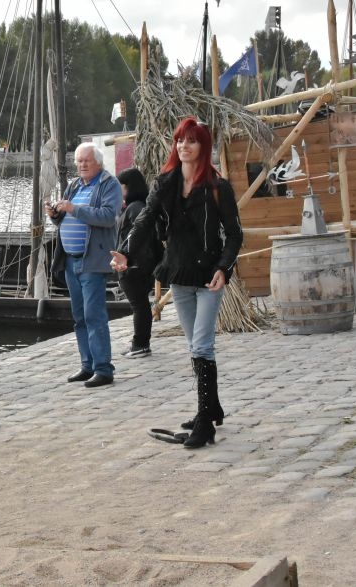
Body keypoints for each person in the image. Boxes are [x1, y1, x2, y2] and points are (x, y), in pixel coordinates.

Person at [111, 117, 243, 449]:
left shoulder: (218, 188)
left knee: (202, 346)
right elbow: (144, 220)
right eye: (180, 140)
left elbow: (234, 234)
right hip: (178, 274)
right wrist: (126, 251)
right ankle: (211, 408)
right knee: (194, 346)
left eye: (191, 140)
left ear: (203, 146)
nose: (184, 146)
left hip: (210, 276)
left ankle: (205, 425)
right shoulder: (165, 184)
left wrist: (224, 268)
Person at [46, 142, 122, 388]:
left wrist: (73, 208)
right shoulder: (75, 185)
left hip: (92, 260)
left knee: (93, 314)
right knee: (79, 316)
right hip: (71, 260)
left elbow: (108, 217)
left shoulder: (109, 184)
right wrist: (56, 215)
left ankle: (103, 369)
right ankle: (87, 365)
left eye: (86, 161)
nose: (82, 165)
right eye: (78, 161)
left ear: (98, 162)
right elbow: (67, 218)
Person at [115, 169, 163, 359]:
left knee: (139, 305)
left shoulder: (135, 208)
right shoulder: (138, 206)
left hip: (134, 265)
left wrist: (129, 259)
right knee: (140, 304)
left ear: (128, 187)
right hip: (138, 263)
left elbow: (139, 236)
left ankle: (141, 344)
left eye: (121, 187)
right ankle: (140, 343)